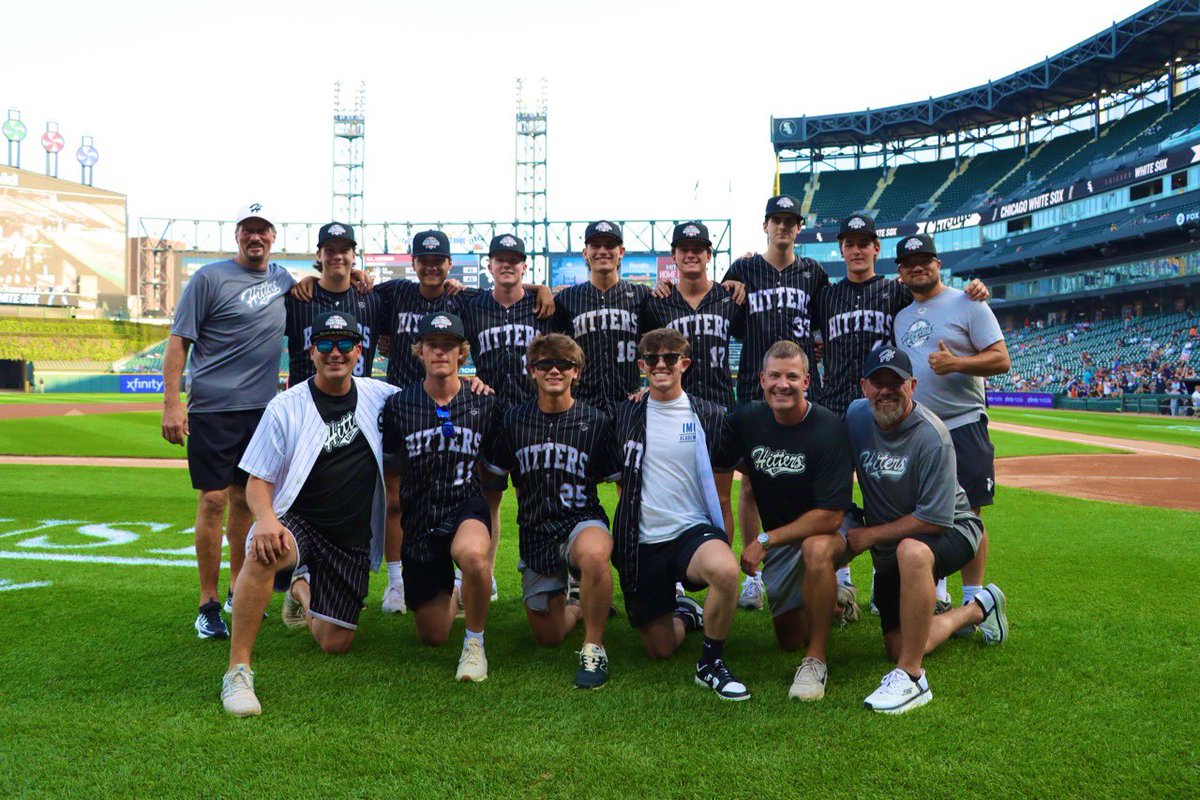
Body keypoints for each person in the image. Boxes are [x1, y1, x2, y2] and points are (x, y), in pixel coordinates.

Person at [219, 311, 398, 717]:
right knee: (263, 552)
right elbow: (257, 480)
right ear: (311, 351)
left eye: (344, 344)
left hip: (349, 537)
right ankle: (238, 670)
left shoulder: (381, 396)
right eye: (325, 344)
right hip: (297, 520)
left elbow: (431, 395)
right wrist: (265, 520)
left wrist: (470, 382)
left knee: (335, 642)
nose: (335, 352)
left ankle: (300, 588)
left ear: (359, 351)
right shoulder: (286, 406)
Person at [818, 214, 991, 617]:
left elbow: (929, 296)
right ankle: (843, 584)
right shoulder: (824, 295)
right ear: (841, 249)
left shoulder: (895, 293)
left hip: (887, 405)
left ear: (877, 249)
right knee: (837, 494)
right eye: (850, 243)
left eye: (866, 243)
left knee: (897, 489)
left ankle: (916, 578)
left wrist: (975, 290)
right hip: (839, 407)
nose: (858, 250)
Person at [375, 230, 552, 612]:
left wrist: (543, 289)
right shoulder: (400, 292)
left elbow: (513, 282)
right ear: (414, 262)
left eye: (438, 261)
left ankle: (483, 575)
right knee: (407, 498)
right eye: (424, 260)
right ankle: (403, 582)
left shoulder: (467, 299)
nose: (432, 266)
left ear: (450, 265)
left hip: (502, 411)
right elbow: (360, 290)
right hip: (409, 404)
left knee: (502, 496)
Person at [845, 346, 1008, 714]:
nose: (886, 390)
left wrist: (868, 536)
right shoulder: (855, 417)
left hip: (955, 528)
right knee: (898, 642)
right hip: (896, 541)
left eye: (896, 382)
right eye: (878, 382)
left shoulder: (932, 436)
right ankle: (979, 608)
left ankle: (912, 677)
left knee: (911, 549)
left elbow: (934, 519)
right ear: (864, 386)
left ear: (913, 385)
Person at [162, 203, 296, 640]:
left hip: (261, 410)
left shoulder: (282, 281)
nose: (255, 238)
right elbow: (179, 341)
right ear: (237, 235)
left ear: (273, 237)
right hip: (212, 408)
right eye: (247, 230)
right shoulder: (209, 278)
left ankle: (241, 592)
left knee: (244, 500)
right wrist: (172, 404)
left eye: (262, 231)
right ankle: (208, 602)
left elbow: (317, 290)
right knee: (214, 500)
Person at [610, 328, 749, 701]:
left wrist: (726, 539)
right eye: (652, 359)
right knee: (660, 648)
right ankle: (685, 614)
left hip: (691, 532)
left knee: (724, 571)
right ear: (641, 366)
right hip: (643, 541)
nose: (661, 365)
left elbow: (725, 487)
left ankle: (710, 663)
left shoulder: (708, 414)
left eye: (670, 358)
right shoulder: (625, 413)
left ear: (684, 364)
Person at [482, 333, 620, 689]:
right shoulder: (513, 420)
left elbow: (618, 480)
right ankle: (577, 601)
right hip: (536, 530)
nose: (555, 370)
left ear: (577, 372)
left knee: (593, 553)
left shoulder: (597, 421)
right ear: (532, 371)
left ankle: (594, 645)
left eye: (565, 364)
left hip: (581, 519)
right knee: (550, 636)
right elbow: (493, 478)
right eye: (545, 364)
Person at [717, 341, 852, 700]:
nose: (783, 384)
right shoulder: (748, 419)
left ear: (807, 380)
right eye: (774, 376)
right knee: (789, 639)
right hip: (783, 536)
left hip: (826, 527)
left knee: (815, 548)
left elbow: (832, 513)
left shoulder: (827, 427)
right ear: (761, 379)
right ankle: (836, 603)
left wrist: (764, 540)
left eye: (792, 376)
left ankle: (817, 658)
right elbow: (723, 462)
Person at [894, 234, 1010, 631]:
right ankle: (937, 592)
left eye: (925, 259)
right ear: (901, 273)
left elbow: (1001, 359)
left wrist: (956, 363)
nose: (918, 266)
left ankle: (974, 600)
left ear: (938, 264)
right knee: (925, 514)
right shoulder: (901, 316)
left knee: (971, 513)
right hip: (921, 429)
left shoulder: (969, 302)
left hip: (962, 424)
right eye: (910, 262)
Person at [380, 312, 501, 682]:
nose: (440, 352)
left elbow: (493, 469)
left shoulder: (483, 402)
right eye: (432, 344)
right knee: (432, 635)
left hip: (465, 505)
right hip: (421, 518)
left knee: (474, 557)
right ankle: (449, 589)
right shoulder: (400, 405)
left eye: (449, 346)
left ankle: (475, 643)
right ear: (419, 351)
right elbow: (393, 474)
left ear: (462, 353)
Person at [722, 196, 829, 611]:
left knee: (804, 483)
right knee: (750, 483)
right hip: (753, 386)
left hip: (802, 389)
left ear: (798, 228)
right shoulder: (743, 270)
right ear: (765, 225)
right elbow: (714, 310)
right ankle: (753, 577)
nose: (783, 227)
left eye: (790, 221)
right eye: (776, 220)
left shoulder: (813, 273)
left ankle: (812, 568)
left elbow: (829, 318)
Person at [458, 234, 553, 614]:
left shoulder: (544, 305)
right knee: (489, 503)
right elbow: (447, 346)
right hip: (493, 418)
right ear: (490, 265)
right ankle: (487, 576)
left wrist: (542, 287)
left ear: (525, 266)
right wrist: (467, 378)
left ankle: (543, 570)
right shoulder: (473, 305)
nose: (508, 265)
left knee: (540, 499)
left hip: (535, 415)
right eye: (500, 259)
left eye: (515, 260)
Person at [639, 221, 740, 537]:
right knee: (676, 495)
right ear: (674, 255)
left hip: (721, 406)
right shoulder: (658, 302)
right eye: (685, 249)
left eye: (698, 249)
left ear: (709, 254)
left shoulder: (730, 298)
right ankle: (679, 579)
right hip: (675, 411)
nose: (691, 255)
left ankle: (723, 572)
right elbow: (644, 354)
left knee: (722, 498)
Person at [551, 220, 650, 416]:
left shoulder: (642, 295)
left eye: (610, 245)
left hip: (630, 405)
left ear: (621, 252)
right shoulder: (567, 298)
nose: (603, 251)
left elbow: (661, 346)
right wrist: (538, 289)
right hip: (581, 407)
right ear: (585, 253)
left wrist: (654, 388)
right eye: (595, 245)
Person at [284, 222, 388, 386]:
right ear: (319, 255)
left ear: (353, 255)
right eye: (330, 250)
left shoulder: (372, 301)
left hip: (359, 402)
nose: (337, 256)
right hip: (305, 404)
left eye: (344, 250)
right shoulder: (298, 299)